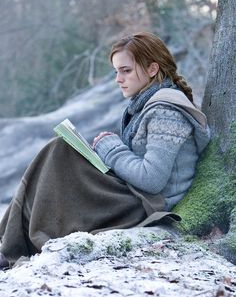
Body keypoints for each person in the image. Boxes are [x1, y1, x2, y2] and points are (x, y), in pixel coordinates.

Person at [0, 32, 210, 269]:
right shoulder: (145, 105)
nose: (118, 79)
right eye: (116, 71)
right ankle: (8, 243)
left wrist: (112, 148)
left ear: (152, 69)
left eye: (126, 70)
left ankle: (12, 246)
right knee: (59, 152)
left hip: (145, 203)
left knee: (59, 153)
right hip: (132, 193)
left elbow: (152, 179)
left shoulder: (167, 112)